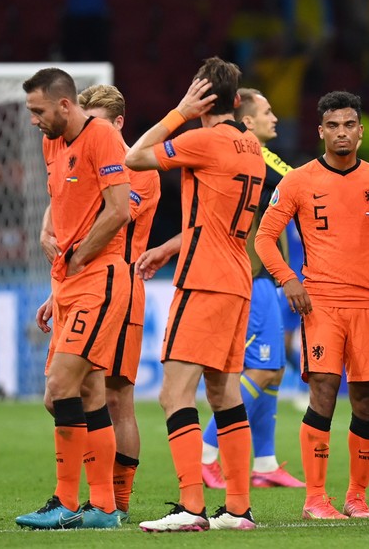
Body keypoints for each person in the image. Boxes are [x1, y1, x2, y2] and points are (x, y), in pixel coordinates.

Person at [127, 57, 265, 532]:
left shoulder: (203, 138)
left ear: (202, 96)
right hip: (235, 278)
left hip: (204, 280)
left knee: (173, 393)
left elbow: (133, 156)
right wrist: (170, 245)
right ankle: (239, 509)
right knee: (223, 391)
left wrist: (179, 111)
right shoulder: (251, 147)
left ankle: (191, 507)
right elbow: (214, 216)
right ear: (238, 100)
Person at [255, 91, 369, 520]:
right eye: (333, 126)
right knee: (324, 392)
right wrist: (289, 280)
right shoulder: (297, 181)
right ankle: (315, 498)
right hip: (322, 305)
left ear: (361, 131)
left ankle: (357, 497)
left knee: (366, 400)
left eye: (349, 125)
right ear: (320, 132)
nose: (342, 133)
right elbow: (263, 238)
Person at [17, 68, 131, 530]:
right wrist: (57, 283)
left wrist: (80, 258)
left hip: (100, 278)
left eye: (38, 111)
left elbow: (119, 210)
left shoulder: (101, 135)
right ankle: (103, 508)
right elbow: (67, 207)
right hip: (68, 284)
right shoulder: (52, 143)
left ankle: (68, 501)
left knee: (60, 388)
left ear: (65, 105)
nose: (33, 121)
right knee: (82, 391)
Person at [200, 88, 304, 490]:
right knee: (261, 367)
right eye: (266, 111)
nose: (275, 117)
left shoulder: (247, 157)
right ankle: (208, 454)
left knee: (273, 368)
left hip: (260, 274)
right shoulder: (255, 156)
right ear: (246, 122)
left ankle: (263, 461)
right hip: (251, 273)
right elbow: (301, 183)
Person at [78, 84, 160, 521]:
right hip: (85, 283)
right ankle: (83, 496)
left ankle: (117, 502)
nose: (92, 132)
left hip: (121, 285)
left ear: (119, 123)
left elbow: (112, 221)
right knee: (69, 391)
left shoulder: (139, 169)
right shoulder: (86, 162)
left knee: (116, 397)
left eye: (99, 123)